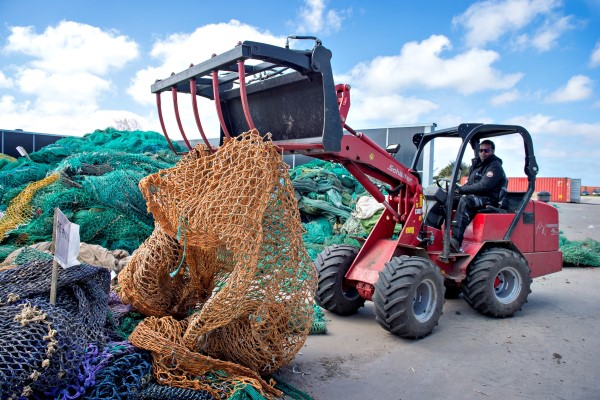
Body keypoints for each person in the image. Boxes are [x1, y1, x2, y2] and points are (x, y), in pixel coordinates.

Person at [450, 139, 506, 252]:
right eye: (481, 150)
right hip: (477, 196)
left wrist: (461, 190)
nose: (483, 153)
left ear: (492, 151)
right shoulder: (477, 166)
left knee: (466, 201)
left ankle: (456, 241)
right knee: (447, 199)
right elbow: (470, 184)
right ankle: (433, 234)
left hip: (489, 199)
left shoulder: (495, 167)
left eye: (486, 150)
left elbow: (484, 186)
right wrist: (457, 191)